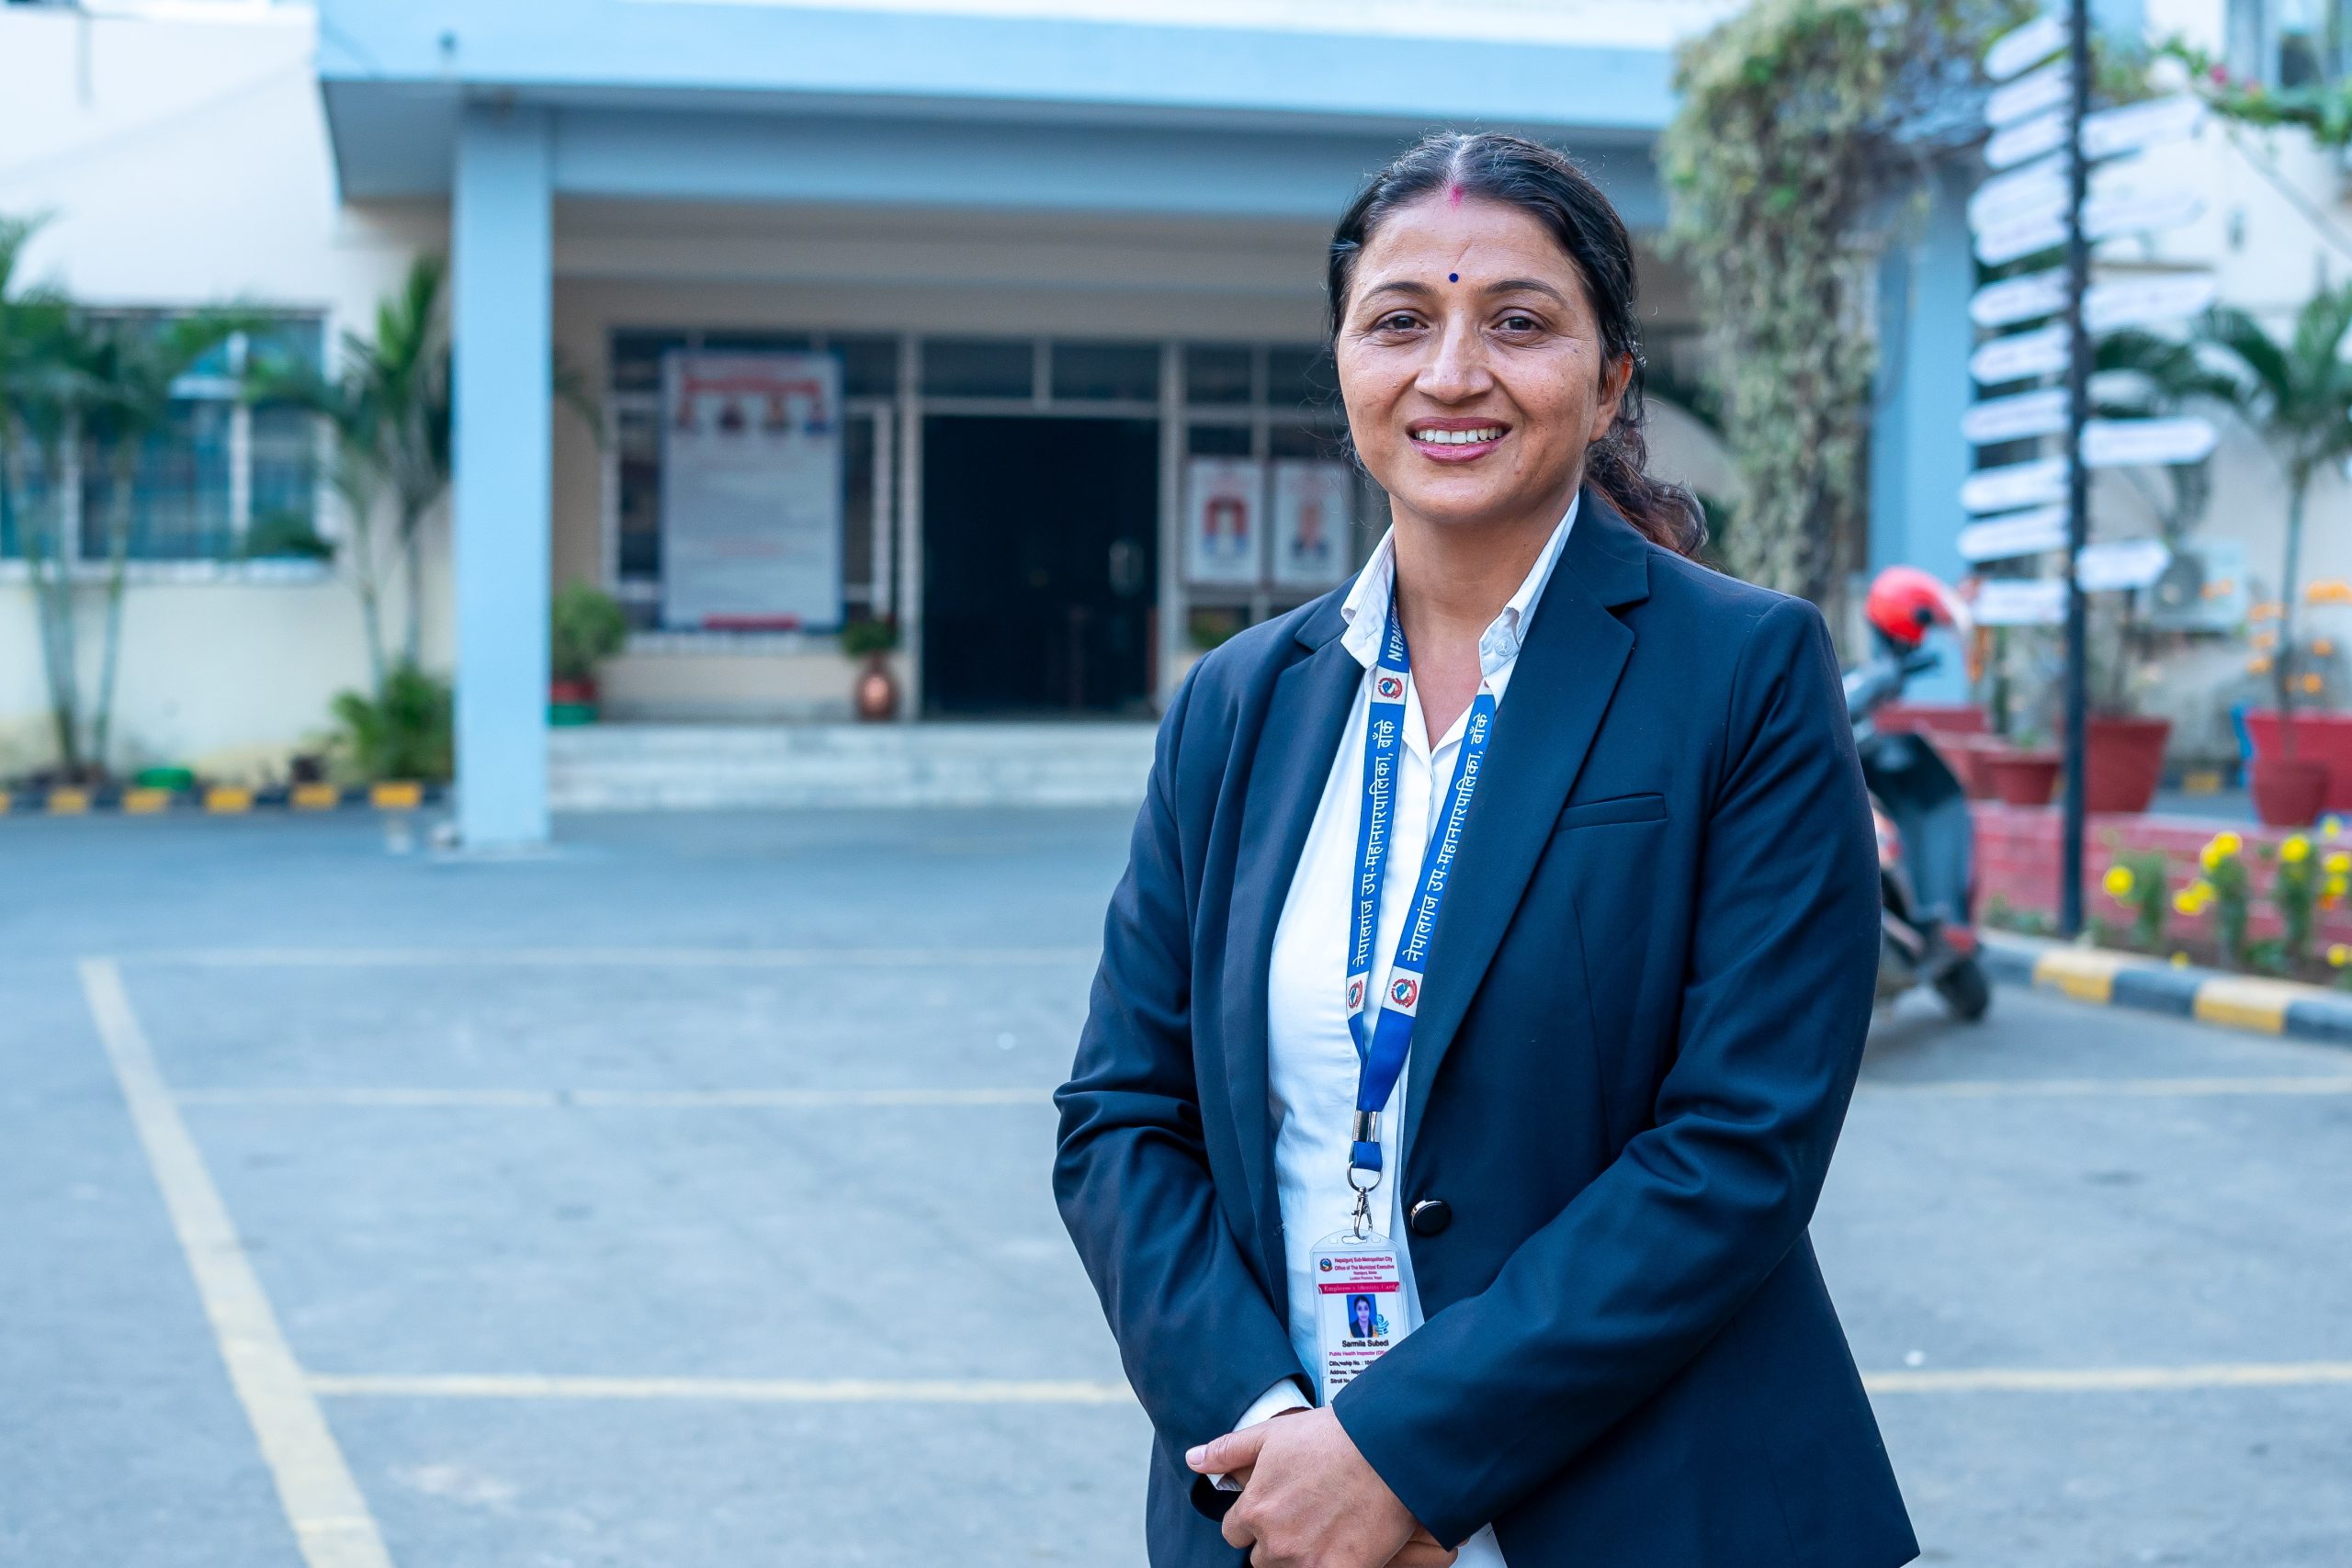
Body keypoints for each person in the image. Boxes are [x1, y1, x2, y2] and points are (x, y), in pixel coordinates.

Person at [1053, 130, 1917, 1568]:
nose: (1453, 373)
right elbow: (1122, 1118)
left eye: (1518, 323)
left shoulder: (1743, 673)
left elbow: (1738, 1145)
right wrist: (1275, 1431)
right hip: (1280, 1511)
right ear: (1346, 365)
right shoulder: (1237, 705)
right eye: (1401, 322)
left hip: (1651, 1510)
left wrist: (1400, 1454)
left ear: (1610, 381)